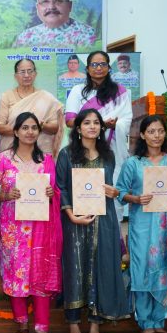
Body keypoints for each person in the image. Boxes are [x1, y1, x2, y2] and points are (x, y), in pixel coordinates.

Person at [56, 109, 131, 333]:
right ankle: (74, 324)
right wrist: (72, 215)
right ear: (78, 128)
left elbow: (112, 188)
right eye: (86, 123)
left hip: (103, 219)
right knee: (75, 268)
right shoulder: (67, 154)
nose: (92, 126)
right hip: (74, 221)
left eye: (96, 123)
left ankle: (95, 325)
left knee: (102, 267)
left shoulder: (108, 155)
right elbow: (61, 187)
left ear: (101, 128)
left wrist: (115, 192)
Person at [116, 115, 167, 333]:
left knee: (165, 269)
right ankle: (146, 322)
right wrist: (136, 199)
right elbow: (120, 192)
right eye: (151, 131)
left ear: (165, 134)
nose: (156, 136)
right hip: (142, 227)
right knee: (141, 269)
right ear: (142, 135)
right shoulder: (133, 163)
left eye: (160, 131)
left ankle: (160, 321)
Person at [0, 112, 62, 333]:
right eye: (25, 127)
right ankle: (22, 325)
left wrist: (52, 194)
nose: (30, 132)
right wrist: (5, 195)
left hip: (40, 229)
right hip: (12, 229)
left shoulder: (46, 160)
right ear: (15, 131)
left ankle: (41, 328)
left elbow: (56, 192)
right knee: (16, 274)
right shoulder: (2, 160)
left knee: (39, 275)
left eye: (34, 127)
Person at [65, 50, 132, 220]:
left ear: (109, 68)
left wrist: (115, 125)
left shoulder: (121, 92)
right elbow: (70, 121)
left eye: (103, 64)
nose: (98, 68)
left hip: (111, 150)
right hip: (84, 151)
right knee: (84, 194)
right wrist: (101, 124)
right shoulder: (78, 91)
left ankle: (112, 231)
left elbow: (126, 120)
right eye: (94, 64)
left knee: (110, 193)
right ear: (87, 68)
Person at [0, 58, 64, 157]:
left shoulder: (46, 97)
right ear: (15, 76)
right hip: (11, 155)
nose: (26, 75)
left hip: (41, 154)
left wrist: (40, 126)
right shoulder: (6, 97)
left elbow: (55, 127)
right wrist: (24, 131)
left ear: (35, 74)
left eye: (30, 71)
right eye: (22, 72)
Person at [13, 0, 96, 48]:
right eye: (45, 1)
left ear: (69, 6)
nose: (51, 7)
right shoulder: (25, 37)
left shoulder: (88, 33)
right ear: (38, 7)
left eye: (58, 1)